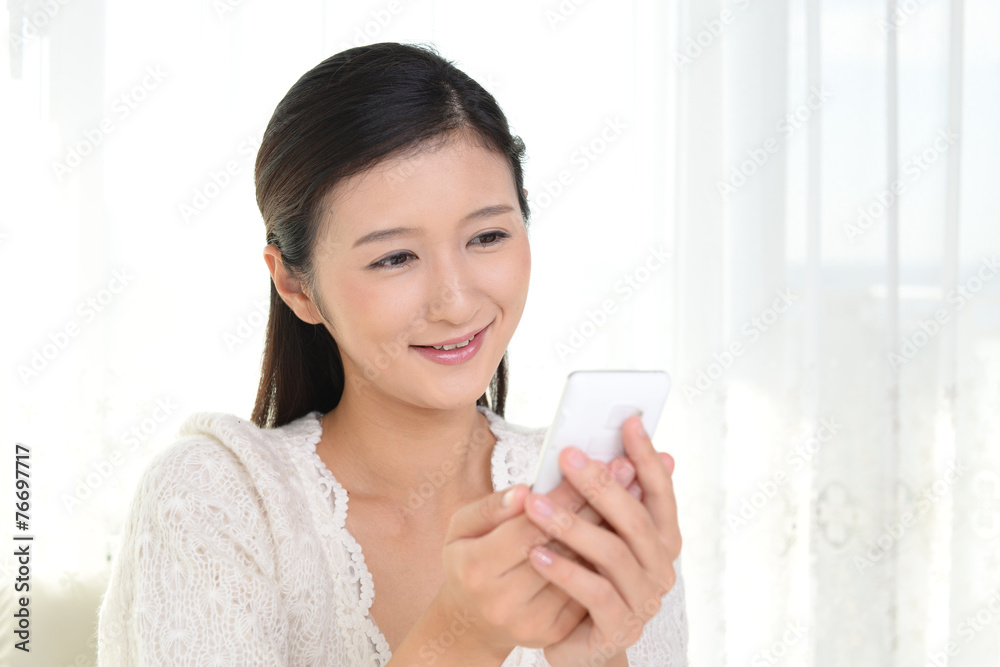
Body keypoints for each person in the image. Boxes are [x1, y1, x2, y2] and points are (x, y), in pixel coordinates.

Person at [96, 41, 688, 666]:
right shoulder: (213, 500)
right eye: (395, 257)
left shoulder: (597, 510)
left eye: (488, 236)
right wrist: (466, 633)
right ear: (295, 285)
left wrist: (595, 657)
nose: (455, 302)